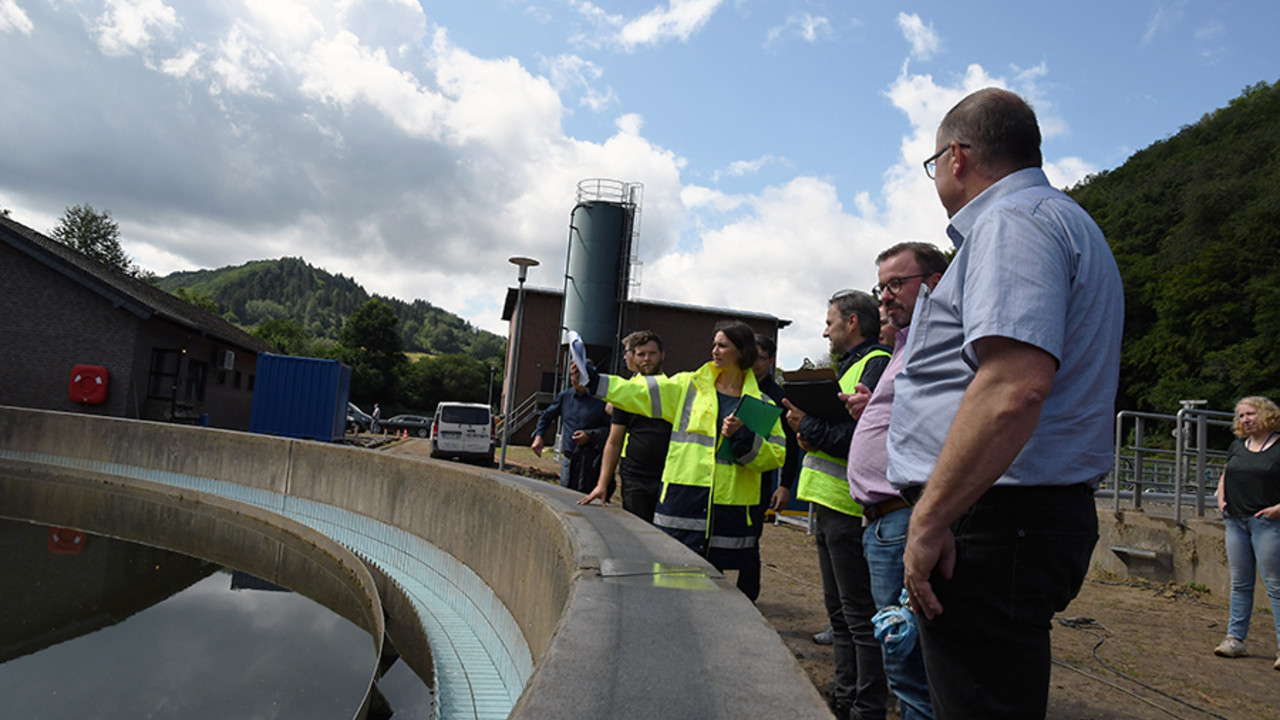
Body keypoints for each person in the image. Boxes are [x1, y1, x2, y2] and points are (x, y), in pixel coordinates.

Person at [888, 88, 1124, 719]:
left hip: (989, 520)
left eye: (934, 161)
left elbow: (1013, 388)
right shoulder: (1062, 221)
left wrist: (932, 518)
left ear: (957, 157)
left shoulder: (1011, 223)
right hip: (1012, 515)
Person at [579, 321, 785, 577]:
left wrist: (743, 436)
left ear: (741, 352)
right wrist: (595, 382)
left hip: (729, 513)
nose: (715, 351)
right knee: (671, 581)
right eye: (714, 344)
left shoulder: (760, 404)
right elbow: (637, 392)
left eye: (723, 345)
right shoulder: (688, 386)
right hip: (682, 504)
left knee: (713, 589)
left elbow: (776, 455)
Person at [843, 241, 949, 720]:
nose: (884, 297)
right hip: (880, 521)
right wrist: (873, 408)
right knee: (898, 653)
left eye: (895, 285)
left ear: (932, 284)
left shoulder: (939, 344)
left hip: (902, 515)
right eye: (880, 286)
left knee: (908, 663)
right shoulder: (905, 346)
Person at [783, 289, 891, 720]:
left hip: (851, 508)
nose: (824, 330)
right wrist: (806, 431)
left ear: (852, 322)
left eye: (830, 321)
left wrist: (808, 424)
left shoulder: (875, 364)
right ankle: (845, 695)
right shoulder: (846, 368)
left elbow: (861, 440)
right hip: (829, 506)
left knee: (858, 615)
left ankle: (866, 704)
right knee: (841, 615)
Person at [1212, 396, 1280, 670]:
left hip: (1268, 523)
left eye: (1250, 414)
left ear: (1266, 414)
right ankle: (1235, 639)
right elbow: (1226, 475)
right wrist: (1220, 499)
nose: (1245, 420)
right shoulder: (1237, 446)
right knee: (1240, 584)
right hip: (1235, 522)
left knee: (1276, 586)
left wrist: (1278, 509)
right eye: (1241, 416)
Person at [580, 330, 672, 523]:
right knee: (639, 531)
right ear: (634, 358)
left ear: (663, 354)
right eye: (641, 354)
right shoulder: (627, 392)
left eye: (652, 353)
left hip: (670, 475)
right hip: (635, 476)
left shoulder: (675, 389)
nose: (647, 359)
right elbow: (614, 441)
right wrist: (602, 483)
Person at [736, 333, 801, 601]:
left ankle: (747, 596)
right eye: (751, 357)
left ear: (772, 360)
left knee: (751, 539)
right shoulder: (733, 387)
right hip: (728, 476)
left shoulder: (779, 397)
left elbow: (791, 446)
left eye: (761, 358)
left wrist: (785, 485)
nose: (754, 364)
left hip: (760, 479)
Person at [531, 362, 611, 493]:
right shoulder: (565, 397)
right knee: (566, 498)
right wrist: (539, 436)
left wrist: (590, 435)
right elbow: (546, 416)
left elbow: (611, 430)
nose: (574, 379)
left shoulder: (601, 400)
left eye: (578, 375)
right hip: (569, 460)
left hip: (592, 463)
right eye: (572, 374)